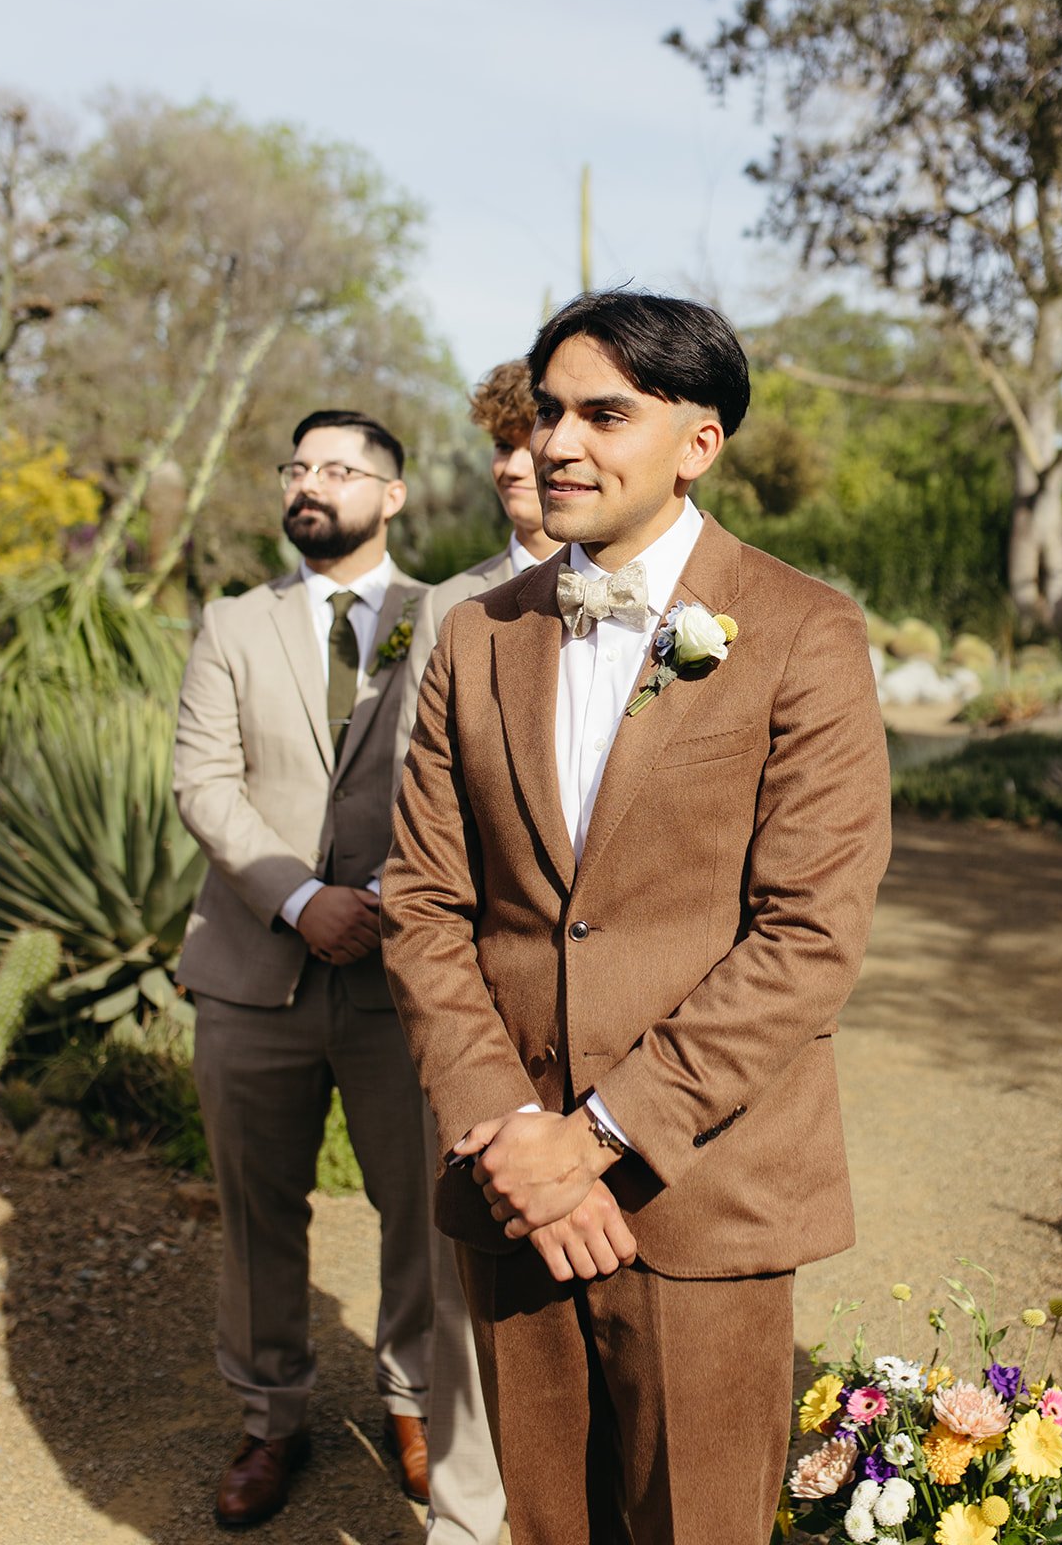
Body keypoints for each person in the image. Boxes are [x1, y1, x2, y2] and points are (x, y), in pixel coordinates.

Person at [382, 292, 892, 1545]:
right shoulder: (472, 634)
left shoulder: (802, 630)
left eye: (604, 413)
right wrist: (514, 1137)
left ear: (699, 442)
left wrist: (599, 1137)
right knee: (549, 1528)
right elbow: (427, 907)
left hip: (703, 1187)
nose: (558, 443)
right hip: (509, 1192)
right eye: (549, 410)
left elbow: (806, 937)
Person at [174, 409, 434, 1528]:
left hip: (402, 975)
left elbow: (473, 777)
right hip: (253, 969)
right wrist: (299, 897)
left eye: (339, 468)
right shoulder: (232, 624)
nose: (310, 484)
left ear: (395, 495)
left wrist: (381, 900)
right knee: (256, 1209)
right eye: (298, 467)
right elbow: (203, 781)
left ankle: (417, 1402)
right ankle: (270, 1416)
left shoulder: (450, 617)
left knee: (421, 1205)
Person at [392, 359, 558, 1544]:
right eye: (499, 441)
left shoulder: (700, 602)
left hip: (625, 1006)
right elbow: (423, 822)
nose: (512, 461)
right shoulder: (452, 610)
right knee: (471, 1276)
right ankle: (464, 1515)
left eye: (527, 434)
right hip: (480, 1001)